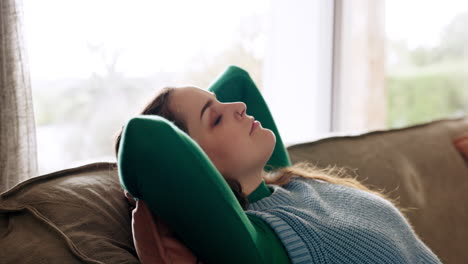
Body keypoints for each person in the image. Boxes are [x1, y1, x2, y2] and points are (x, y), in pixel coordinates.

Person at [114, 68, 442, 264]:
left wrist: (207, 112)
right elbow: (146, 140)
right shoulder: (262, 241)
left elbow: (236, 79)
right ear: (197, 163)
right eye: (215, 117)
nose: (239, 106)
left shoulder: (291, 186)